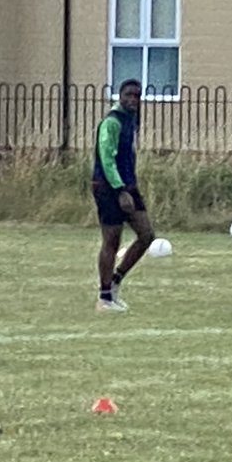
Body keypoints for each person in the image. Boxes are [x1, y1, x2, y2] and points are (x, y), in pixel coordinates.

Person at [93, 78, 155, 312]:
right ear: (120, 95)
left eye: (137, 96)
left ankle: (116, 280)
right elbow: (106, 158)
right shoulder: (112, 122)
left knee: (147, 235)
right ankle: (105, 296)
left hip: (128, 184)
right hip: (108, 186)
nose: (132, 99)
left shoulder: (132, 119)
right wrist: (120, 190)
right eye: (128, 95)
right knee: (111, 240)